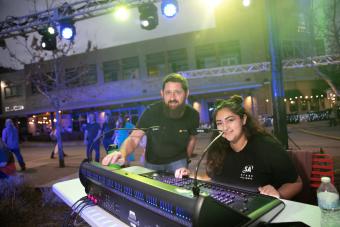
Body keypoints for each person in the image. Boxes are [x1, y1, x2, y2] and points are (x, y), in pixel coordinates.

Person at [178, 95, 303, 200]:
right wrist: (191, 176)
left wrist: (278, 194)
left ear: (243, 120)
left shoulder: (267, 147)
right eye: (219, 123)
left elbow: (296, 183)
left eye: (230, 120)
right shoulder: (217, 147)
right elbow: (213, 178)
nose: (225, 127)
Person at [102, 73, 199, 175]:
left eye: (177, 92)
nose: (172, 97)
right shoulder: (151, 112)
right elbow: (134, 138)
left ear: (187, 93)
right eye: (168, 92)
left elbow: (192, 138)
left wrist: (186, 160)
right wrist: (122, 153)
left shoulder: (193, 114)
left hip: (178, 162)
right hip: (152, 163)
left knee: (178, 190)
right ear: (162, 94)